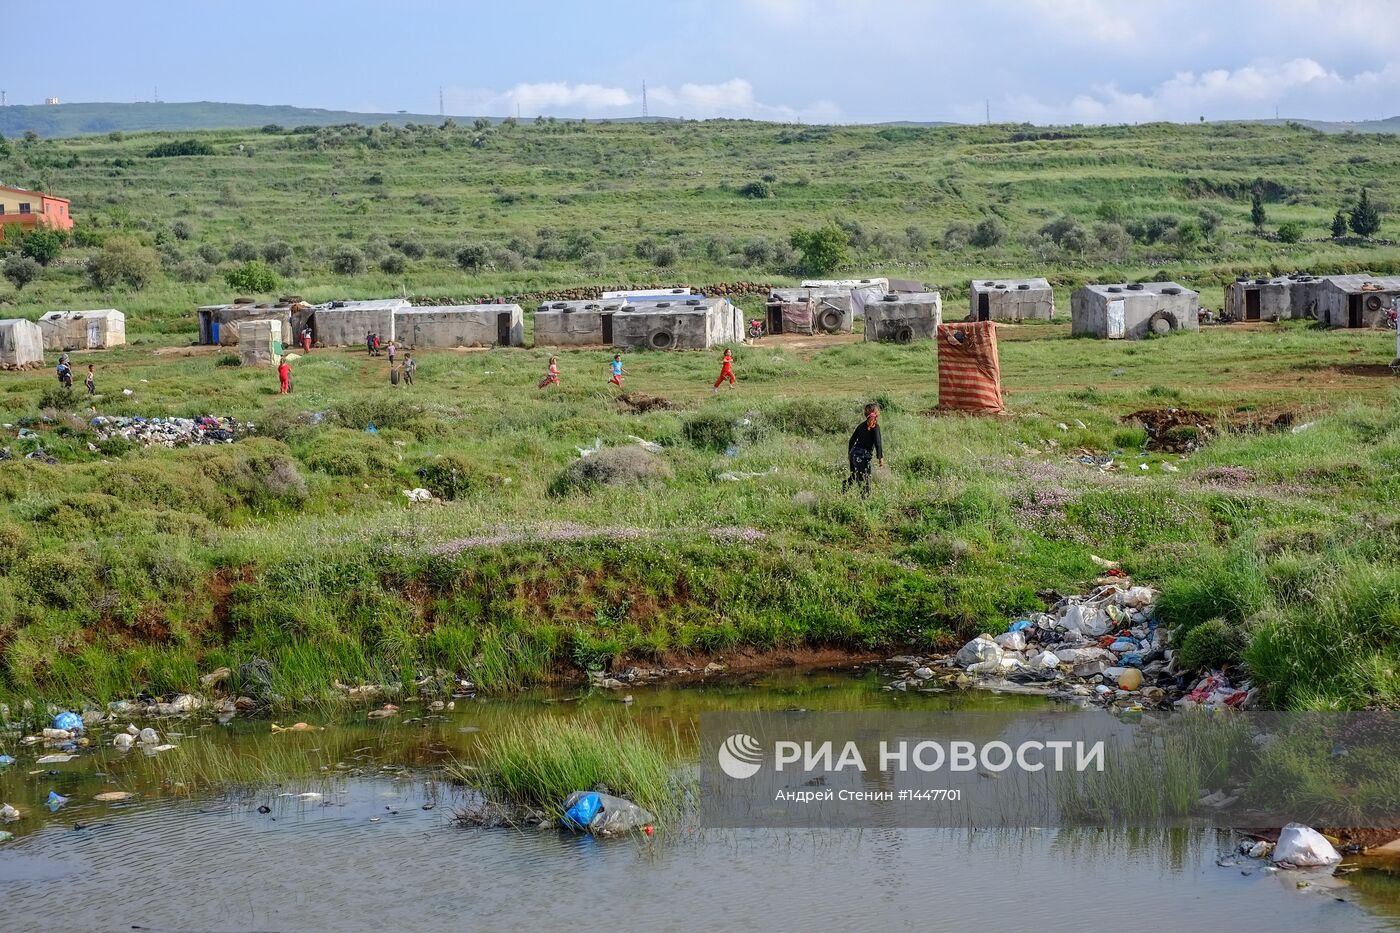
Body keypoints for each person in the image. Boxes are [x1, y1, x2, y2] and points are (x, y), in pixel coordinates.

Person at [843, 403, 885, 498]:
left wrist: (850, 454)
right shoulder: (876, 427)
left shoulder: (861, 426)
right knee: (866, 480)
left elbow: (851, 441)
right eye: (878, 410)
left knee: (854, 476)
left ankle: (844, 489)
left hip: (854, 453)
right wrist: (880, 458)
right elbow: (878, 443)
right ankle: (864, 502)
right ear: (876, 413)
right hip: (863, 456)